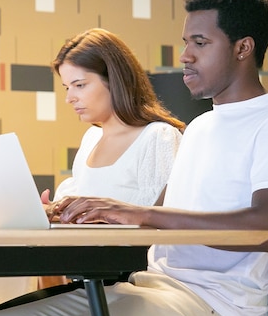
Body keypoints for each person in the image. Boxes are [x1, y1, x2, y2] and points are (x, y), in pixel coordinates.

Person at [0, 0, 268, 316]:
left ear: (242, 48)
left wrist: (139, 212)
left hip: (221, 309)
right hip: (152, 287)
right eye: (186, 42)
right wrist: (85, 215)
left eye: (200, 43)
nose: (185, 55)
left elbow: (266, 229)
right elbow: (158, 222)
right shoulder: (201, 127)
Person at [41, 28, 185, 212]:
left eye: (79, 85)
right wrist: (54, 209)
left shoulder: (158, 137)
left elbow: (160, 216)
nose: (69, 98)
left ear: (115, 79)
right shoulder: (91, 138)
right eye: (66, 88)